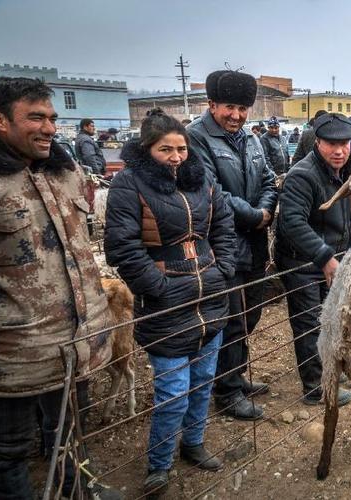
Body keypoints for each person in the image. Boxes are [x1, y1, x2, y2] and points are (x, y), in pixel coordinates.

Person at [0, 77, 119, 499]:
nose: (48, 128)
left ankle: (80, 491)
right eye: (35, 118)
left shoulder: (65, 172)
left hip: (75, 343)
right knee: (11, 451)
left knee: (70, 434)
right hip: (13, 353)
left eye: (52, 118)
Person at [105, 109, 237, 496]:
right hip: (166, 306)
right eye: (167, 149)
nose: (177, 156)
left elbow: (224, 224)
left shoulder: (202, 179)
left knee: (202, 382)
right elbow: (122, 247)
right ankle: (159, 465)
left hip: (210, 298)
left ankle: (193, 443)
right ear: (148, 150)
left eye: (181, 148)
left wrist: (223, 269)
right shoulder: (129, 184)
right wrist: (157, 286)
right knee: (172, 392)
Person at [187, 70, 277, 420]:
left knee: (250, 312)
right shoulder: (196, 139)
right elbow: (213, 194)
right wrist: (255, 215)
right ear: (211, 104)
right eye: (229, 107)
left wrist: (266, 208)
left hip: (253, 246)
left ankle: (234, 374)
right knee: (230, 319)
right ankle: (225, 390)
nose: (236, 115)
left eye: (243, 108)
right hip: (221, 248)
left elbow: (269, 179)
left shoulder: (251, 140)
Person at [275, 113, 351, 406]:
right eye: (331, 144)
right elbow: (292, 223)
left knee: (331, 318)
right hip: (302, 263)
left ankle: (329, 371)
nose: (339, 150)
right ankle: (315, 386)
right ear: (317, 142)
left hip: (333, 258)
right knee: (309, 322)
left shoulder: (350, 170)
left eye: (344, 143)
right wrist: (324, 257)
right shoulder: (303, 175)